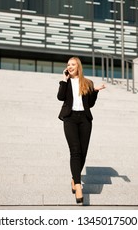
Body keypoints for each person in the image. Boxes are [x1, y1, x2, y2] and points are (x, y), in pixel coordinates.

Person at [57, 57, 105, 204]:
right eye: (68, 65)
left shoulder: (87, 83)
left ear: (78, 66)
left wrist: (95, 91)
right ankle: (78, 185)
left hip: (84, 119)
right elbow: (60, 97)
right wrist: (64, 80)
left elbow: (90, 104)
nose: (69, 67)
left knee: (83, 152)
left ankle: (74, 178)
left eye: (72, 64)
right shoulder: (66, 81)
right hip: (70, 118)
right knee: (75, 150)